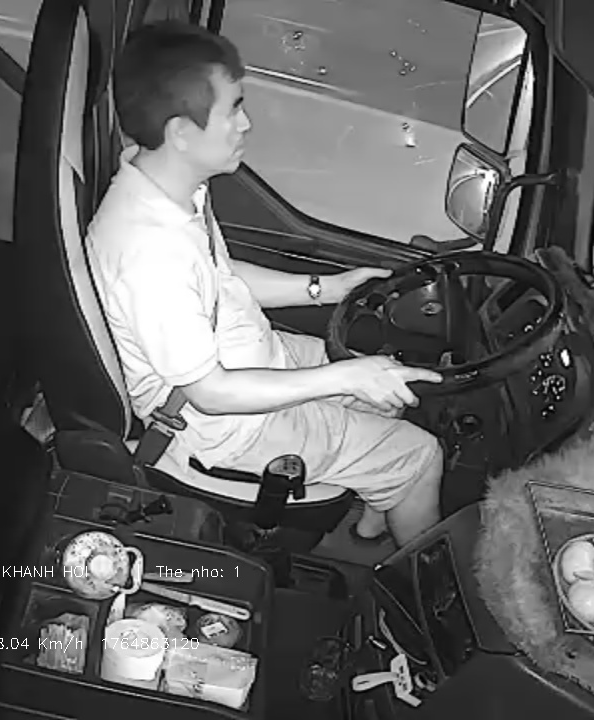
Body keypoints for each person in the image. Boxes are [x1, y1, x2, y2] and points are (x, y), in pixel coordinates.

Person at [86, 21, 443, 547]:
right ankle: (402, 574)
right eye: (233, 109)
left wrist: (329, 289)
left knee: (390, 395)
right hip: (225, 427)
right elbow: (211, 393)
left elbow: (221, 277)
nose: (246, 123)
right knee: (421, 455)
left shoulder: (165, 186)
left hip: (253, 357)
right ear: (181, 133)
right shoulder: (149, 251)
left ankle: (379, 511)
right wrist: (345, 377)